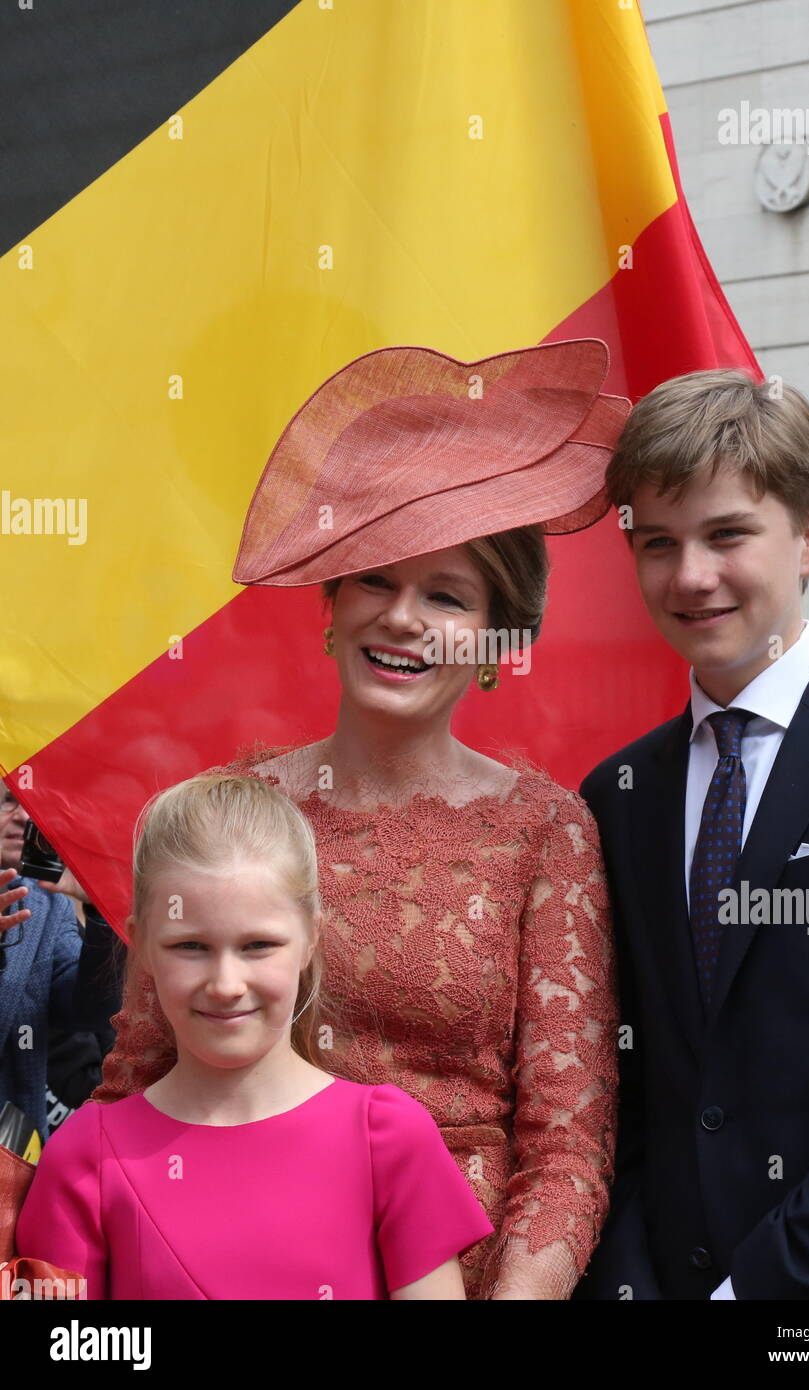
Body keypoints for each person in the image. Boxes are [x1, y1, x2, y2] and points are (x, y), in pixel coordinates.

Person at [87, 339, 625, 1299]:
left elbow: (565, 1142)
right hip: (232, 1257)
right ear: (331, 606)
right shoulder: (230, 813)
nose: (403, 617)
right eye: (377, 579)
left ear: (498, 641)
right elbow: (139, 1076)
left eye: (447, 596)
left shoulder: (546, 832)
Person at [574, 367, 809, 1300]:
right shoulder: (617, 794)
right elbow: (617, 1087)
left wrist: (757, 1292)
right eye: (657, 543)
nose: (690, 575)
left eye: (727, 533)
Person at [17, 774, 493, 1299]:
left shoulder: (390, 1138)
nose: (225, 985)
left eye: (258, 945)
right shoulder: (86, 1156)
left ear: (310, 939)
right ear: (143, 946)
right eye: (190, 946)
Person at [0, 791, 120, 1141]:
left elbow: (90, 1012)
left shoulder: (45, 905)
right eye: (8, 801)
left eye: (34, 803)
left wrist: (104, 910)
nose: (24, 817)